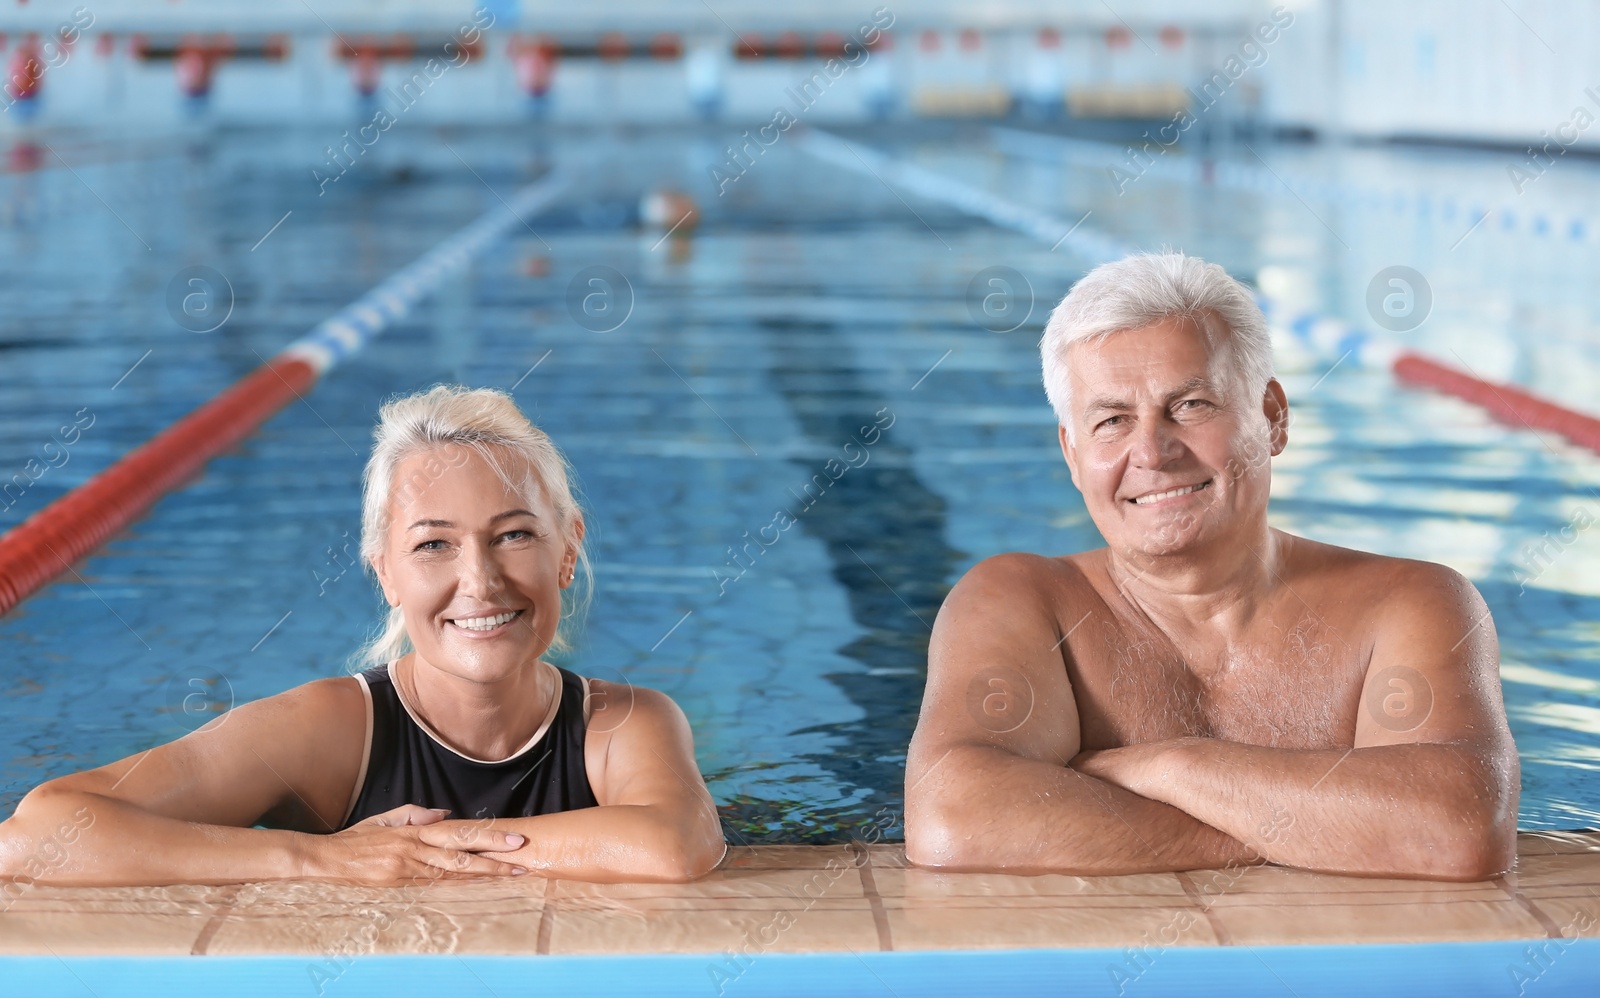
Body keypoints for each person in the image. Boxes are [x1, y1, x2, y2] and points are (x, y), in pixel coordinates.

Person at [904, 252, 1519, 880]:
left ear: (1272, 417)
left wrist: (1169, 766)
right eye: (1112, 420)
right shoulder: (1019, 601)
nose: (1152, 451)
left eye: (1191, 405)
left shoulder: (1413, 602)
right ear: (1071, 449)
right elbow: (953, 820)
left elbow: (1459, 831)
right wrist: (1331, 830)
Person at [0, 386, 726, 886]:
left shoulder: (624, 723)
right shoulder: (330, 731)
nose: (479, 582)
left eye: (512, 536)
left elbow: (678, 844)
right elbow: (35, 835)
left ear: (567, 550)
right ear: (386, 573)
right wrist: (317, 861)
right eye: (434, 545)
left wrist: (428, 852)